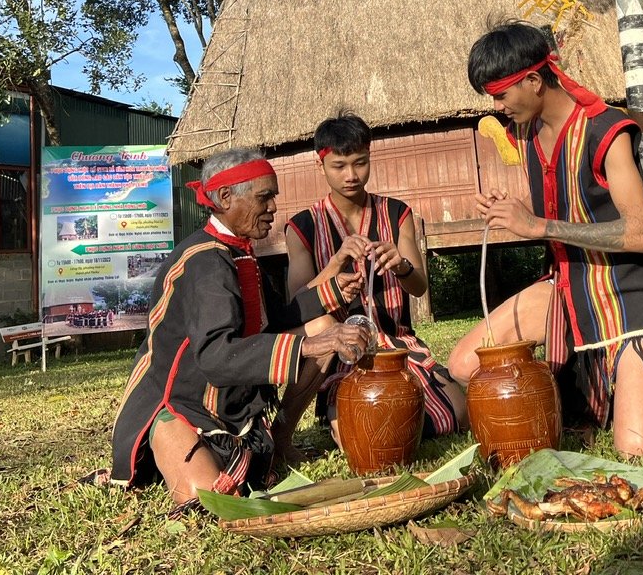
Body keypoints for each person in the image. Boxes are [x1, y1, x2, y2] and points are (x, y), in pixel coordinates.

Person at [447, 21, 643, 457]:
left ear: (533, 81)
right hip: (567, 284)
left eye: (500, 94)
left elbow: (640, 234)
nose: (498, 106)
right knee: (463, 364)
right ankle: (577, 399)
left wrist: (540, 226)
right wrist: (510, 209)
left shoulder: (606, 130)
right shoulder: (529, 133)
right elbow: (571, 203)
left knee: (636, 450)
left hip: (625, 294)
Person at [110, 147, 369, 511]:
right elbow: (216, 356)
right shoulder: (205, 263)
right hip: (179, 405)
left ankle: (278, 440)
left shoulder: (237, 252)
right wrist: (308, 346)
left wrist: (331, 292)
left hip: (226, 401)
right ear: (226, 197)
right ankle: (169, 443)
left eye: (273, 197)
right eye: (265, 197)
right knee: (211, 499)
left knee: (323, 331)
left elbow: (273, 319)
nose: (274, 208)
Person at [284, 112, 468, 445]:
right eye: (339, 166)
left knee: (457, 414)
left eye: (360, 163)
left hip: (398, 345)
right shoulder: (302, 226)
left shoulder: (397, 213)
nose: (351, 176)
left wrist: (401, 266)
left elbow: (419, 286)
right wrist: (337, 262)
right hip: (343, 353)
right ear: (320, 165)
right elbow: (297, 303)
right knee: (362, 435)